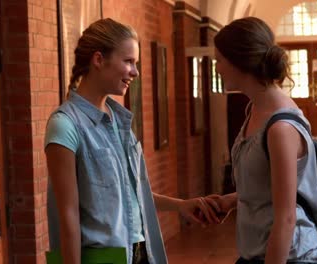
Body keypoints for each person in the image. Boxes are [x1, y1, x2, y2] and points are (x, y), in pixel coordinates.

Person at [44, 18, 219, 264]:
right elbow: (68, 216)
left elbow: (128, 193)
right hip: (101, 258)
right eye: (128, 62)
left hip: (140, 253)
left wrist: (180, 205)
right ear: (98, 60)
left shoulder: (119, 119)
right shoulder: (64, 125)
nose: (135, 72)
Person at [207, 17, 317, 263]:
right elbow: (270, 187)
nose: (216, 67)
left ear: (239, 61)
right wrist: (233, 200)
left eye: (219, 60)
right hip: (256, 253)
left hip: (291, 256)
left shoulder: (280, 128)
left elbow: (286, 218)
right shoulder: (254, 108)